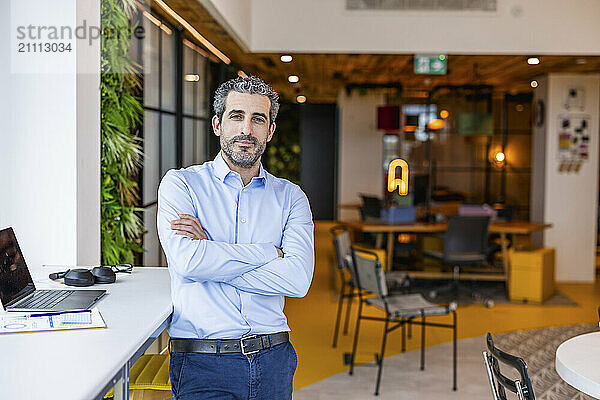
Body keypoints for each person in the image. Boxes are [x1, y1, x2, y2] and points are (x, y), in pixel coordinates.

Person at [157, 75, 314, 400]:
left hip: (274, 357)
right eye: (236, 116)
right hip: (203, 360)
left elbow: (297, 281)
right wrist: (271, 253)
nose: (246, 129)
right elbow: (189, 264)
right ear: (218, 124)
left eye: (258, 119)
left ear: (270, 131)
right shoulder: (182, 186)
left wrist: (213, 252)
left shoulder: (290, 197)